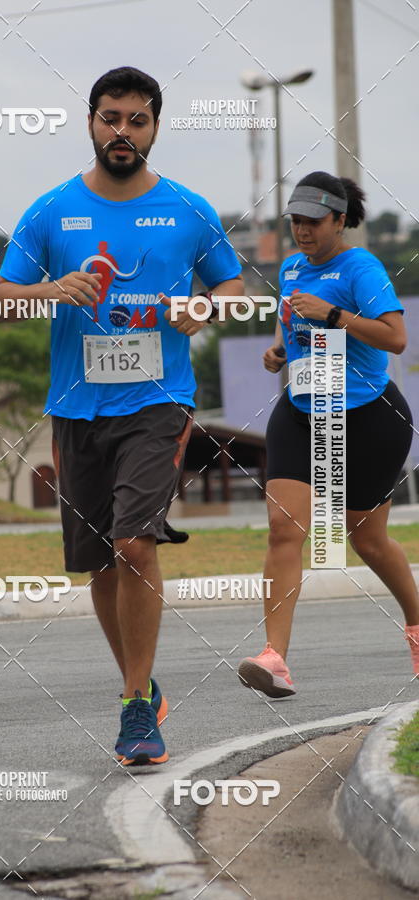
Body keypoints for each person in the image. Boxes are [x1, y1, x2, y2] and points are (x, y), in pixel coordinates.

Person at [0, 66, 244, 763]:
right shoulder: (52, 210)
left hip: (159, 401)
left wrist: (206, 306)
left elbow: (233, 284)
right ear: (91, 123)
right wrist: (51, 289)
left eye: (137, 120)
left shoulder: (189, 209)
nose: (122, 131)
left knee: (134, 543)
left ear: (155, 127)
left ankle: (135, 705)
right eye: (111, 118)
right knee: (101, 560)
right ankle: (141, 683)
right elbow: (2, 298)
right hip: (77, 407)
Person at [237, 171, 419, 698]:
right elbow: (293, 324)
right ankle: (274, 658)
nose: (302, 231)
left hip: (368, 417)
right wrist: (279, 350)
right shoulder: (291, 267)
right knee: (283, 529)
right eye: (296, 221)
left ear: (340, 221)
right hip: (301, 411)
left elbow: (396, 338)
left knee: (367, 539)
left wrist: (334, 314)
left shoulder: (361, 268)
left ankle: (416, 623)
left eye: (313, 222)